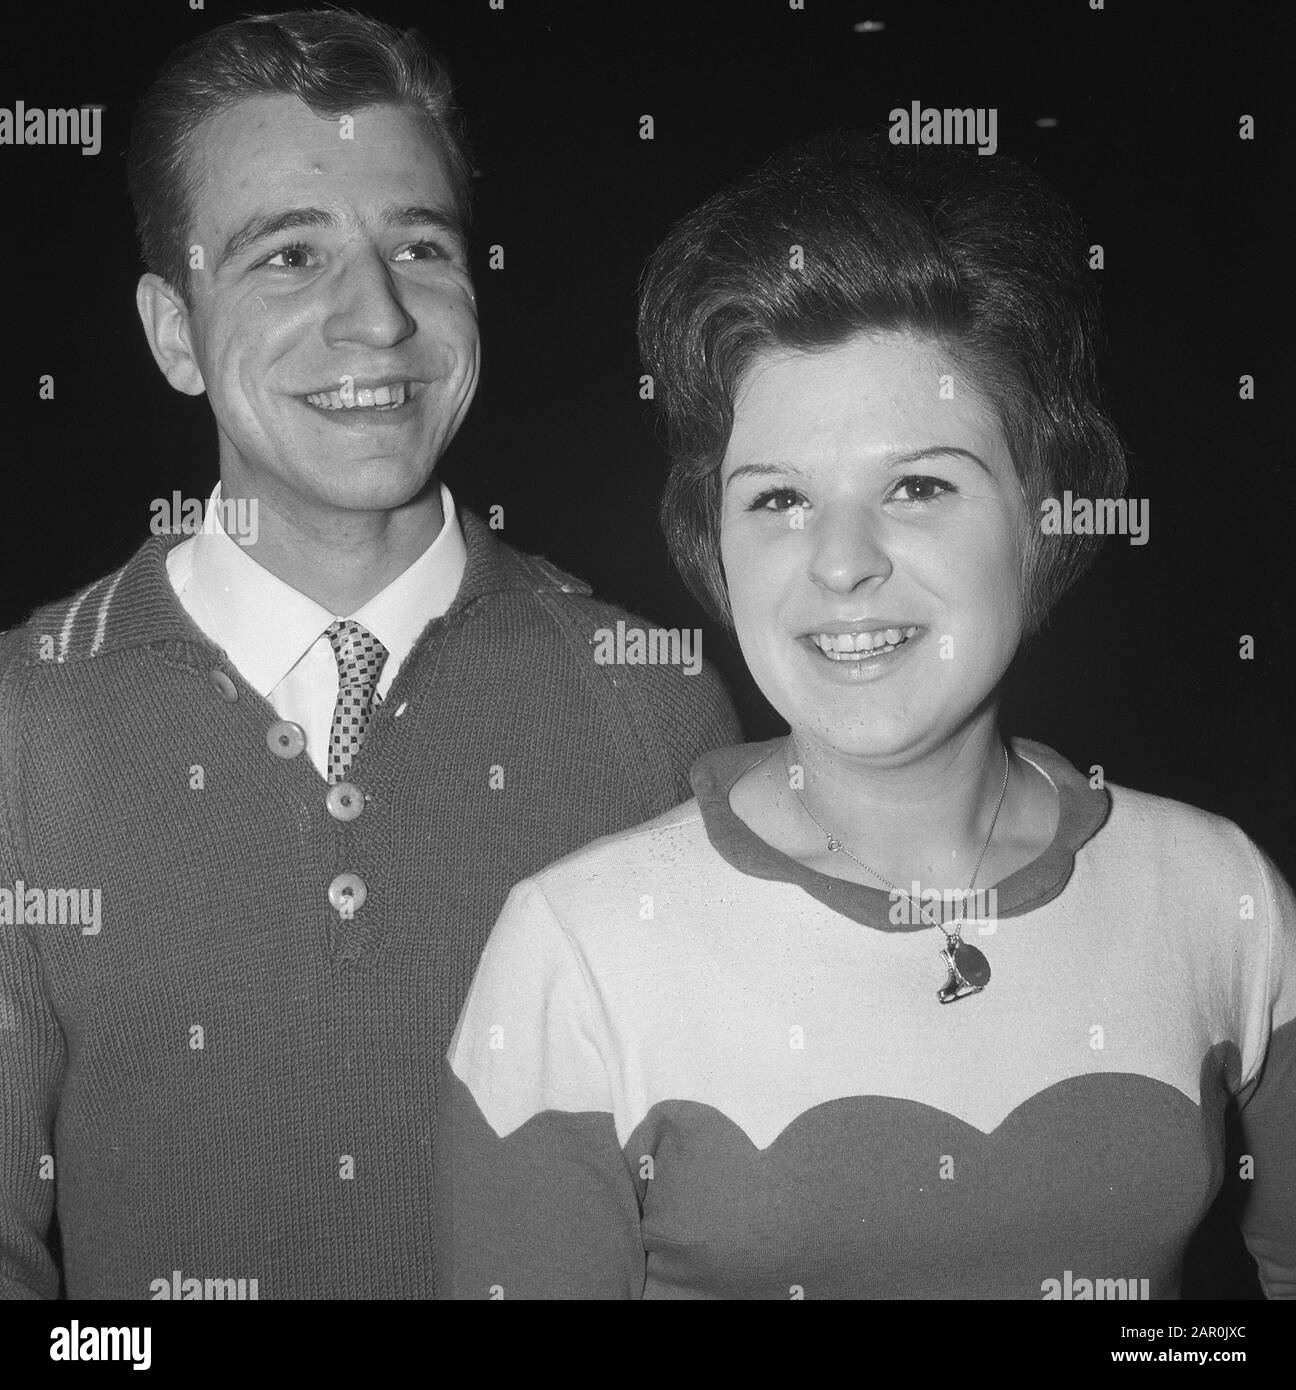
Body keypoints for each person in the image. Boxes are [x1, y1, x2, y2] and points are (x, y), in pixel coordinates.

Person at [436, 131, 1296, 1299]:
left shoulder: (1221, 893)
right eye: (780, 498)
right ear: (714, 542)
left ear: (1046, 513)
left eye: (919, 485)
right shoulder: (574, 951)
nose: (840, 563)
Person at [0, 10, 738, 1300]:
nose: (377, 317)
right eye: (289, 254)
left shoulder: (658, 699)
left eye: (419, 247)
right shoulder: (23, 724)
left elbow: (725, 1220)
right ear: (175, 330)